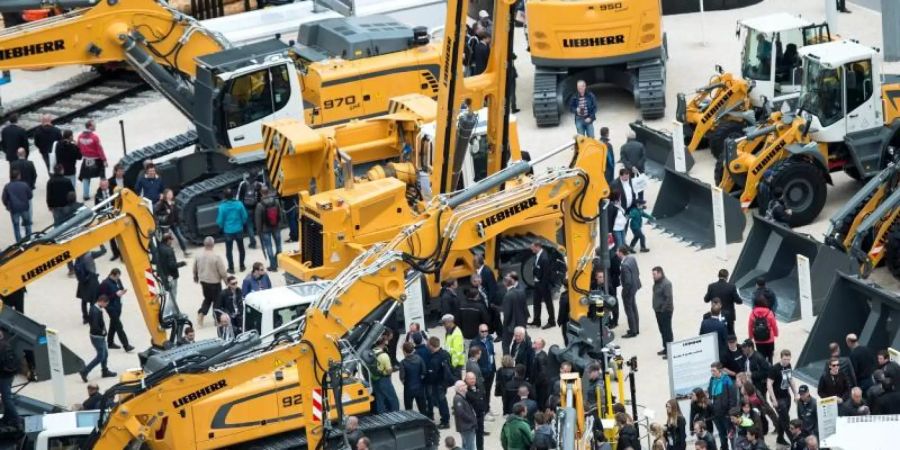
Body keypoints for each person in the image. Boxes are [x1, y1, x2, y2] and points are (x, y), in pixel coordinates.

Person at [78, 295, 117, 381]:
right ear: (102, 301)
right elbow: (95, 326)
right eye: (106, 304)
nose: (106, 306)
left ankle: (105, 371)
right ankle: (85, 371)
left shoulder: (95, 308)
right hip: (97, 337)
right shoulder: (96, 311)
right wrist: (102, 332)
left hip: (98, 336)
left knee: (105, 354)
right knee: (100, 356)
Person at [193, 236, 228, 327]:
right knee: (217, 301)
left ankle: (201, 314)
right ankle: (217, 319)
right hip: (215, 282)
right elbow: (222, 272)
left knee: (207, 299)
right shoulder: (216, 257)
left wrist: (195, 277)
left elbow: (195, 268)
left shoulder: (198, 256)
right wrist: (226, 282)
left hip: (204, 282)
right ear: (213, 244)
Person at [99, 268, 134, 352]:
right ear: (112, 275)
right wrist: (115, 295)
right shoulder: (105, 284)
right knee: (118, 326)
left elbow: (120, 288)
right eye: (116, 277)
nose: (118, 279)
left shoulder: (118, 280)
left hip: (118, 305)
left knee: (113, 324)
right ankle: (126, 345)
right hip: (110, 307)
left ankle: (110, 342)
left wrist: (122, 291)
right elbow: (103, 298)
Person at [767, 349, 797, 446]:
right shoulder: (774, 369)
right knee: (786, 420)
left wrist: (795, 394)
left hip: (786, 395)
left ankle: (780, 438)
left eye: (788, 359)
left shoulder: (788, 366)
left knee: (782, 418)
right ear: (781, 358)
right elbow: (769, 384)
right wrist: (774, 400)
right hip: (778, 398)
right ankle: (794, 441)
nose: (786, 361)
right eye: (784, 359)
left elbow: (790, 380)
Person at [217, 188, 248, 273]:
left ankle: (231, 268)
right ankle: (242, 266)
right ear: (233, 195)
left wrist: (221, 226)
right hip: (239, 229)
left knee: (229, 250)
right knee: (241, 248)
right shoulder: (239, 204)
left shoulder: (222, 206)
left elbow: (220, 220)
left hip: (228, 231)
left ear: (224, 197)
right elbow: (245, 216)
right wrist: (241, 224)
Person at [424, 336, 452, 429]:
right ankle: (445, 418)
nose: (427, 347)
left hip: (438, 384)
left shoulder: (434, 360)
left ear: (431, 346)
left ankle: (445, 421)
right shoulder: (446, 354)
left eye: (428, 345)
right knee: (442, 400)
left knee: (441, 402)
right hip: (444, 382)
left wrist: (426, 380)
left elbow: (432, 376)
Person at [704, 269, 741, 335]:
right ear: (727, 277)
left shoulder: (711, 286)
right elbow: (739, 301)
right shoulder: (732, 287)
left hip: (715, 314)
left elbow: (706, 300)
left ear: (718, 276)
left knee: (717, 335)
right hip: (729, 316)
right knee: (730, 336)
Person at [254, 186, 283, 271]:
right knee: (278, 246)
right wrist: (279, 225)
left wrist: (259, 231)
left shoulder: (260, 205)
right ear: (268, 192)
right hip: (276, 227)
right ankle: (277, 261)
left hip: (265, 229)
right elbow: (280, 214)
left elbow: (258, 220)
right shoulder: (276, 201)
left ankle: (273, 266)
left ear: (261, 193)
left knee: (269, 247)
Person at [77, 120, 106, 201]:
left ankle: (85, 195)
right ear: (90, 126)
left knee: (86, 177)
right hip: (97, 160)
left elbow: (78, 147)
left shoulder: (80, 137)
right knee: (102, 176)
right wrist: (104, 159)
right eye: (94, 125)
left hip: (86, 159)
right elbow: (100, 149)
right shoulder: (94, 137)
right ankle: (103, 193)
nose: (95, 126)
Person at [708, 362, 735, 450]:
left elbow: (732, 397)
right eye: (711, 371)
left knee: (730, 433)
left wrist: (730, 412)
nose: (712, 373)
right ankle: (724, 448)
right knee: (721, 433)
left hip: (726, 413)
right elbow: (710, 395)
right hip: (715, 413)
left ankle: (734, 448)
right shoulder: (712, 380)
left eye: (714, 371)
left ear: (719, 371)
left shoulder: (727, 380)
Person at [154, 189, 189, 256]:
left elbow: (176, 212)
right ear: (166, 195)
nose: (171, 195)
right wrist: (165, 212)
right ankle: (166, 253)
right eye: (169, 194)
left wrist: (178, 220)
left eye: (171, 194)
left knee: (179, 236)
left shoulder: (173, 201)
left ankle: (185, 251)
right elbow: (156, 212)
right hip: (165, 224)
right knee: (166, 239)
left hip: (173, 223)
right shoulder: (162, 203)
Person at [529, 242, 556, 329]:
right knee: (536, 302)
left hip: (544, 285)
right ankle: (536, 321)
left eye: (532, 248)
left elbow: (546, 274)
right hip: (537, 283)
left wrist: (543, 286)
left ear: (537, 247)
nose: (531, 249)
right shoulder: (538, 255)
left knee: (548, 303)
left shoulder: (544, 258)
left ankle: (552, 322)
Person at [371, 335, 400, 413]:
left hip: (374, 379)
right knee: (392, 398)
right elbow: (389, 371)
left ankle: (381, 415)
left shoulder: (372, 352)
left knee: (379, 399)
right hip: (384, 380)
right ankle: (396, 414)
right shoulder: (384, 356)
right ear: (384, 343)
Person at [470, 324, 496, 411]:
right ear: (479, 331)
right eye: (482, 331)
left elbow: (492, 354)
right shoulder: (474, 342)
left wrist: (493, 368)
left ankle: (487, 408)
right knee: (482, 392)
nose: (484, 333)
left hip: (491, 370)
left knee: (488, 391)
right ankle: (484, 410)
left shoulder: (490, 340)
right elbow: (472, 358)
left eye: (486, 331)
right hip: (482, 372)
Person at [94, 178, 121, 260]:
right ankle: (115, 253)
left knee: (120, 235)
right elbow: (97, 208)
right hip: (106, 217)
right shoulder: (98, 195)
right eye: (102, 185)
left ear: (108, 184)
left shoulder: (114, 191)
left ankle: (122, 253)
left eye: (105, 185)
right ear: (100, 185)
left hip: (116, 214)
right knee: (111, 237)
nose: (104, 187)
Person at [3, 168, 32, 242]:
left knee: (16, 227)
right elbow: (30, 195)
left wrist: (7, 206)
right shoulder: (24, 185)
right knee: (27, 224)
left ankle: (19, 242)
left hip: (14, 209)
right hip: (24, 207)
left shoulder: (7, 186)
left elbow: (4, 198)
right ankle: (28, 239)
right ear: (18, 176)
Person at [501, 272, 528, 352]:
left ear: (505, 284)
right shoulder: (521, 292)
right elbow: (525, 308)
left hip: (510, 325)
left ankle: (507, 362)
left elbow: (507, 313)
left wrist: (505, 324)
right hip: (522, 322)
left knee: (505, 344)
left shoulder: (507, 296)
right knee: (524, 341)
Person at [474, 254, 500, 333]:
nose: (472, 263)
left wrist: (490, 301)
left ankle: (500, 333)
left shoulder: (487, 272)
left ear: (477, 263)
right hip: (483, 298)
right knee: (488, 316)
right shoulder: (479, 271)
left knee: (495, 316)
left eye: (473, 261)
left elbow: (492, 287)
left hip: (489, 299)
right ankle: (491, 329)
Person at [651, 266, 674, 358]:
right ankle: (665, 347)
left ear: (660, 273)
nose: (653, 276)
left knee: (667, 331)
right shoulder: (656, 283)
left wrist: (662, 309)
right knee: (662, 330)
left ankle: (670, 351)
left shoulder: (666, 284)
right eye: (653, 274)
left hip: (665, 311)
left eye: (655, 274)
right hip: (658, 311)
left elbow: (668, 298)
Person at [399, 341, 427, 414]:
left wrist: (406, 383)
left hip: (408, 388)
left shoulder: (403, 363)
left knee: (409, 409)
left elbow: (402, 378)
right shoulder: (419, 359)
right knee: (422, 408)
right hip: (419, 387)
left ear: (404, 351)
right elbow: (424, 372)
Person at [619, 246, 641, 338]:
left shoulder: (624, 265)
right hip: (635, 286)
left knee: (629, 310)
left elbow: (627, 281)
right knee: (633, 307)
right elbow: (637, 272)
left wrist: (625, 291)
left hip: (629, 289)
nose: (617, 253)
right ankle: (636, 328)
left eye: (617, 251)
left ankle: (633, 331)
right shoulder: (632, 258)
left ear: (621, 253)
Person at [156, 233, 184, 304]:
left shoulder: (159, 248)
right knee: (172, 295)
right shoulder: (169, 250)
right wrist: (181, 264)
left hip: (163, 275)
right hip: (171, 276)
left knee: (167, 294)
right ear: (168, 240)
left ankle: (171, 312)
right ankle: (169, 313)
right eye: (171, 240)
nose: (171, 242)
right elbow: (172, 265)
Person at [236, 172, 262, 249]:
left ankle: (253, 243)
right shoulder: (258, 184)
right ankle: (263, 241)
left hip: (247, 208)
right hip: (256, 207)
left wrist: (241, 209)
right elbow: (260, 196)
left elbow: (239, 197)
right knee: (259, 224)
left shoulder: (243, 184)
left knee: (249, 225)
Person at [748, 297, 778, 362]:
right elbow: (774, 325)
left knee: (761, 357)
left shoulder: (753, 313)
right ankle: (770, 369)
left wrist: (751, 336)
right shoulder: (769, 312)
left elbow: (750, 326)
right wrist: (776, 334)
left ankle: (763, 370)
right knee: (770, 357)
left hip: (758, 339)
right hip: (769, 339)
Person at [0, 329, 20, 426]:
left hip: (3, 376)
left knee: (7, 398)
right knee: (6, 397)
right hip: (8, 375)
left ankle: (17, 419)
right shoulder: (6, 345)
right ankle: (7, 417)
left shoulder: (1, 347)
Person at [464, 372, 488, 450]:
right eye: (470, 379)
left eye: (473, 378)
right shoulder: (464, 390)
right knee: (469, 438)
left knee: (480, 436)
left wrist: (484, 409)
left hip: (480, 416)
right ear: (466, 379)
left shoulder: (478, 386)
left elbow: (483, 397)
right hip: (471, 417)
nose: (472, 380)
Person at [441, 314, 465, 379]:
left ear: (450, 322)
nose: (443, 325)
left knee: (457, 385)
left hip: (455, 365)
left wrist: (452, 366)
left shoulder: (456, 334)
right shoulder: (449, 331)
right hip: (451, 363)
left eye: (444, 323)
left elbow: (457, 352)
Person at [531, 337, 552, 409]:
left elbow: (542, 373)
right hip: (539, 383)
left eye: (535, 342)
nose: (533, 343)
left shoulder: (541, 357)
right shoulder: (536, 354)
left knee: (540, 402)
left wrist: (535, 382)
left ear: (540, 345)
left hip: (541, 385)